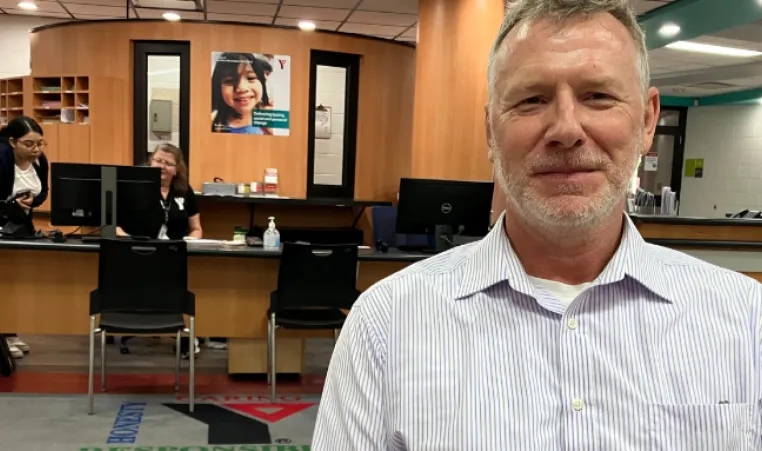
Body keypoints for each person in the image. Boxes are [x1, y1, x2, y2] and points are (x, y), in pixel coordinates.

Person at [313, 1, 762, 449]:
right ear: (491, 130)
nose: (566, 129)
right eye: (531, 100)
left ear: (647, 121)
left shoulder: (747, 320)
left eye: (598, 96)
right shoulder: (386, 326)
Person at [118, 143, 202, 359]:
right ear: (150, 162)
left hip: (173, 256)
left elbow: (196, 229)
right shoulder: (133, 187)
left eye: (168, 163)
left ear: (177, 169)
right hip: (136, 254)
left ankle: (187, 333)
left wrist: (189, 242)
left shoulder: (184, 191)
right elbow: (113, 225)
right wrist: (127, 240)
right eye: (158, 161)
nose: (162, 166)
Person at [0, 116, 48, 360]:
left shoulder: (40, 161)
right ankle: (3, 336)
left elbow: (43, 191)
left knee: (16, 281)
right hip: (2, 225)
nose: (36, 149)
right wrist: (9, 204)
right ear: (12, 142)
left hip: (21, 225)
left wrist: (33, 202)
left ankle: (9, 330)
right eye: (29, 144)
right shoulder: (2, 158)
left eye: (40, 143)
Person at [211, 52, 273, 135]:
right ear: (218, 87)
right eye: (230, 80)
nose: (242, 88)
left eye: (251, 78)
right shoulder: (212, 122)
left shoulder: (270, 119)